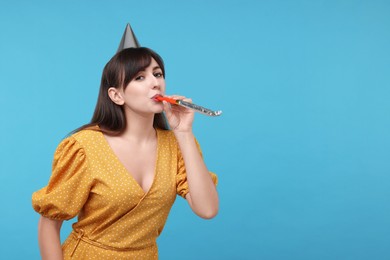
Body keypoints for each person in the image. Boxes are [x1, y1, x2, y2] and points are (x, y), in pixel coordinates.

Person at [32, 45, 219, 259]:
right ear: (116, 95)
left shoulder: (176, 145)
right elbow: (48, 224)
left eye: (157, 74)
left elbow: (208, 209)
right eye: (139, 77)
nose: (155, 83)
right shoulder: (85, 147)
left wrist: (184, 132)